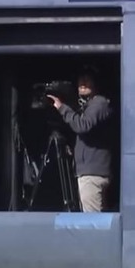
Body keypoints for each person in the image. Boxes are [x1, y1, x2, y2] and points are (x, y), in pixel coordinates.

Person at [47, 66, 114, 212]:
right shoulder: (90, 106)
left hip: (92, 175)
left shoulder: (99, 103)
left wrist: (62, 108)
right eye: (80, 80)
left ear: (96, 83)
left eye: (87, 79)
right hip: (92, 173)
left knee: (93, 221)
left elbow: (83, 125)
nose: (82, 83)